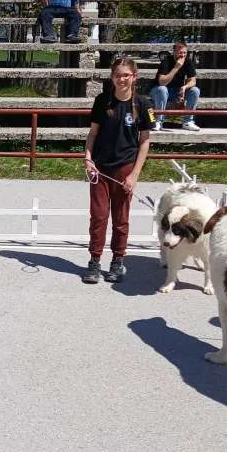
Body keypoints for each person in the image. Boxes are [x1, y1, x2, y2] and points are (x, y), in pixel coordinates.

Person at [82, 57, 156, 285]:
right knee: (99, 216)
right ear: (112, 77)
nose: (122, 79)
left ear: (134, 77)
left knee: (121, 218)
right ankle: (94, 261)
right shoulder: (102, 101)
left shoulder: (144, 104)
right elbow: (93, 134)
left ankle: (117, 260)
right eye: (118, 75)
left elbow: (144, 142)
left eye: (126, 75)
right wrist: (87, 158)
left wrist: (134, 175)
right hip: (100, 167)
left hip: (125, 167)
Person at [149, 41, 201, 132]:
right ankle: (158, 121)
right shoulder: (166, 61)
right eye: (180, 53)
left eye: (185, 53)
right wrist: (176, 67)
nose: (183, 55)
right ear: (174, 52)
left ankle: (188, 121)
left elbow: (193, 81)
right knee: (162, 89)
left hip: (176, 91)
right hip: (158, 91)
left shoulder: (188, 61)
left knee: (195, 90)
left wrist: (185, 87)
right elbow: (162, 82)